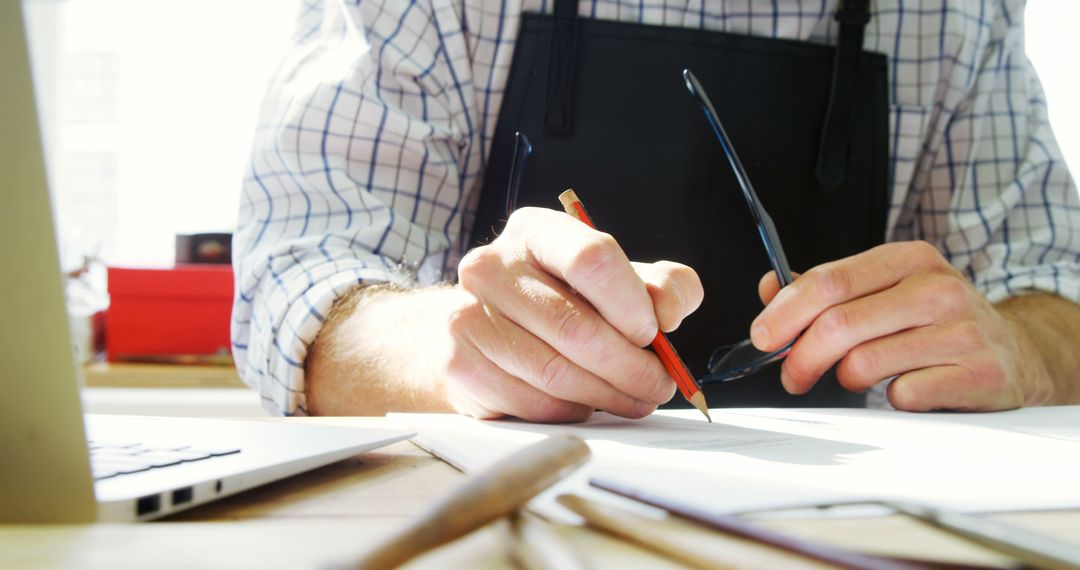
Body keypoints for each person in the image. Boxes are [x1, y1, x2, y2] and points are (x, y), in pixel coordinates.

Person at [232, 0, 1080, 420]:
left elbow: (1057, 289)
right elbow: (296, 279)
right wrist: (448, 342)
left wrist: (1028, 347)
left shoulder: (958, 10)